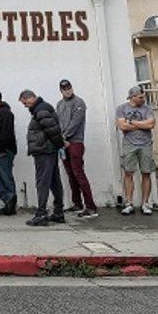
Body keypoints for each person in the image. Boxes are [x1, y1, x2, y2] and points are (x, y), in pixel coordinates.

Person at [19, 89, 65, 226]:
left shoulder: (41, 110)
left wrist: (59, 144)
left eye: (25, 102)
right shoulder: (42, 108)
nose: (25, 106)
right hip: (48, 150)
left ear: (31, 98)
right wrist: (58, 146)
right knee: (54, 181)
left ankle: (41, 214)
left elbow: (52, 129)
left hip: (44, 150)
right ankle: (58, 212)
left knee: (43, 182)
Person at [56, 79, 98, 218]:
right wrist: (61, 140)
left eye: (69, 88)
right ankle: (77, 203)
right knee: (70, 174)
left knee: (79, 173)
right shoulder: (60, 104)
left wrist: (65, 137)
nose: (67, 90)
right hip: (64, 144)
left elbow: (76, 122)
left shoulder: (79, 102)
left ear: (72, 88)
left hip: (75, 143)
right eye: (64, 89)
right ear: (61, 90)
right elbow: (58, 123)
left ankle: (90, 206)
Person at [116, 86, 157, 215]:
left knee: (146, 173)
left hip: (146, 144)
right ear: (132, 97)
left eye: (143, 96)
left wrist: (132, 122)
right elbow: (122, 126)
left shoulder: (148, 108)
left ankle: (145, 203)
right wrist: (142, 125)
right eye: (140, 97)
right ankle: (129, 203)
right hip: (129, 144)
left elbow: (151, 124)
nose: (143, 99)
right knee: (128, 173)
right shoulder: (121, 109)